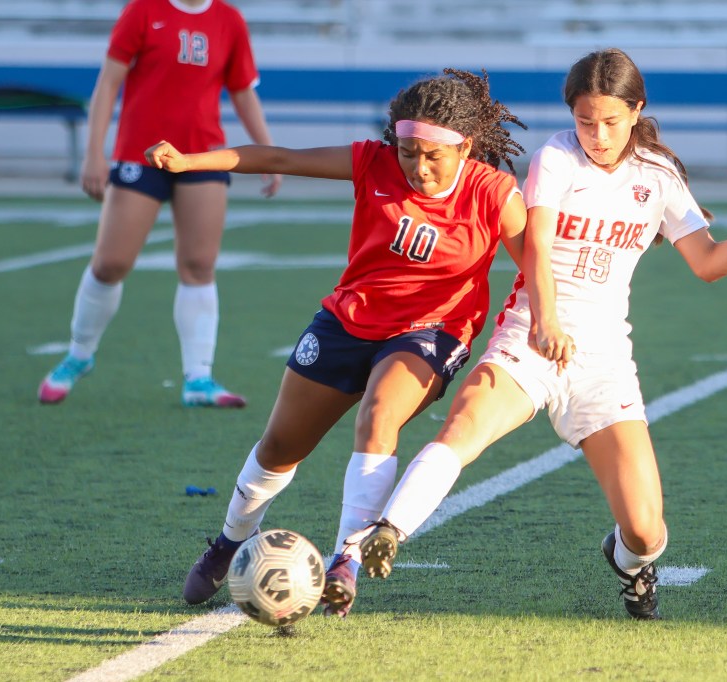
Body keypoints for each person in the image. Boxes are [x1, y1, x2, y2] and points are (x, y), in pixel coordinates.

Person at [356, 48, 727, 620]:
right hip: (532, 335)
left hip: (603, 360)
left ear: (637, 110)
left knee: (645, 530)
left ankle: (630, 564)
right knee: (463, 426)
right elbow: (537, 245)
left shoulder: (658, 176)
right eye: (585, 120)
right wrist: (546, 320)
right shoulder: (556, 158)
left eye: (611, 121)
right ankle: (388, 530)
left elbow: (708, 263)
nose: (597, 134)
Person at [146, 68, 528, 617]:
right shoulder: (372, 161)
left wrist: (553, 320)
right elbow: (280, 158)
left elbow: (537, 267)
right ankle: (229, 543)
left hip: (432, 330)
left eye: (433, 156)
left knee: (379, 414)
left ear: (464, 147)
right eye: (408, 152)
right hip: (349, 320)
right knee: (279, 447)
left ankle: (345, 561)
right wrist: (189, 162)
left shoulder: (494, 194)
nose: (418, 167)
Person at [37, 0, 281, 407]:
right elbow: (108, 84)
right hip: (140, 155)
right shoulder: (143, 11)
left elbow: (242, 92)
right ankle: (79, 354)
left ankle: (198, 378)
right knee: (110, 263)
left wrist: (267, 153)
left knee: (199, 265)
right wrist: (94, 153)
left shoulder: (229, 20)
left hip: (202, 156)